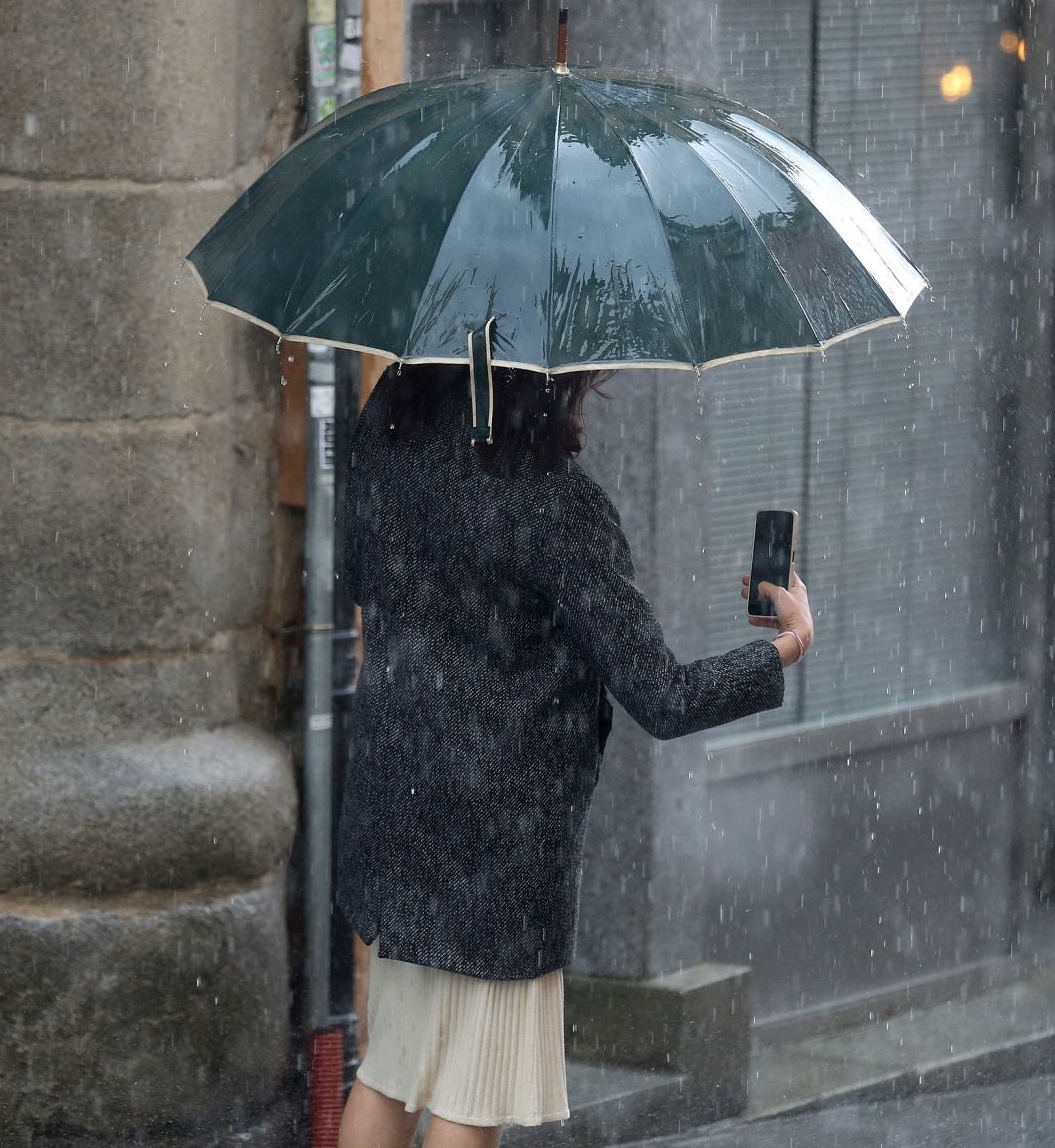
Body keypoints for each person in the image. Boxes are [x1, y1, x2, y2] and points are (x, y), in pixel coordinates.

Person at [335, 361, 815, 1148]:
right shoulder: (557, 502)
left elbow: (359, 577)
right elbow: (663, 694)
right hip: (502, 837)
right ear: (554, 377)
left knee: (389, 1073)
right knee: (468, 1096)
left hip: (400, 800)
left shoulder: (390, 422)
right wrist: (786, 647)